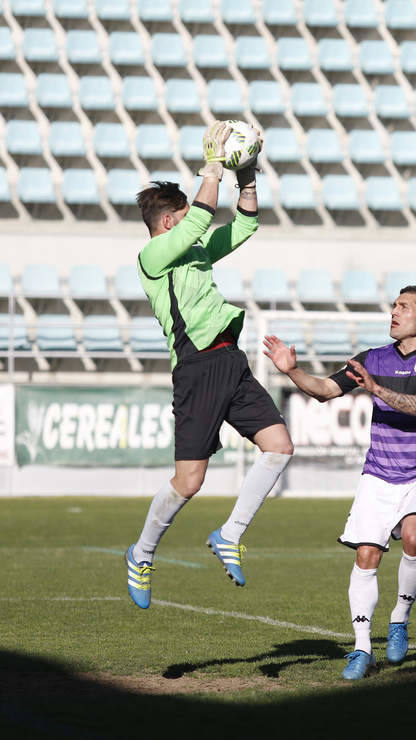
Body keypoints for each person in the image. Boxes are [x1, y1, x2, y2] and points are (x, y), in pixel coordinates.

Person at [125, 121, 293, 610]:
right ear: (169, 222)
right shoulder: (153, 257)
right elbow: (202, 219)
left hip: (230, 358)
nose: (191, 218)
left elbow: (244, 225)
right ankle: (142, 552)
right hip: (196, 368)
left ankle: (230, 533)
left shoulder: (194, 252)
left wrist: (248, 175)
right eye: (184, 214)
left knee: (279, 447)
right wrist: (212, 168)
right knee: (190, 481)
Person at [263, 286, 416, 680]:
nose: (393, 313)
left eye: (403, 307)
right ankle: (362, 649)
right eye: (393, 306)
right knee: (367, 556)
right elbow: (325, 391)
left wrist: (375, 389)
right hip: (378, 474)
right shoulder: (373, 358)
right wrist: (293, 372)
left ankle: (400, 618)